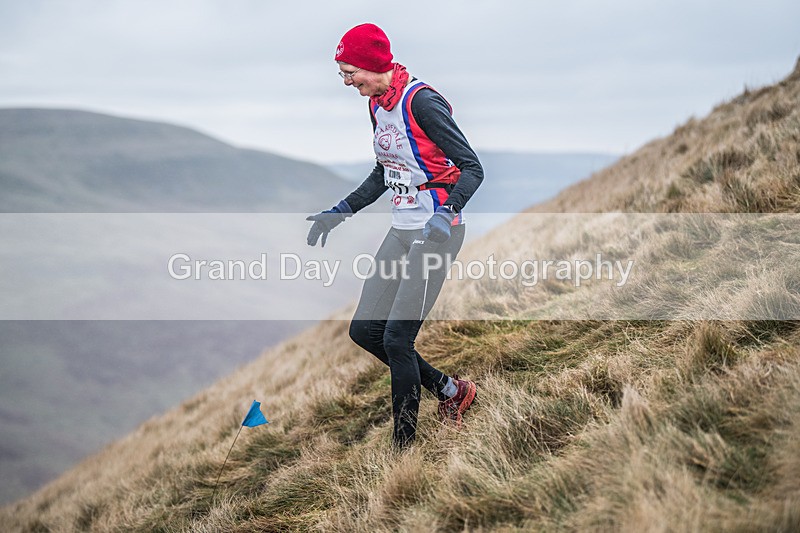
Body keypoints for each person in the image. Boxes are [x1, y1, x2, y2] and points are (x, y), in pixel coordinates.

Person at [306, 23, 484, 449]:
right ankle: (452, 392)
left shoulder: (420, 103)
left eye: (351, 73)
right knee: (364, 331)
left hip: (436, 234)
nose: (348, 82)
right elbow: (386, 171)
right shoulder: (377, 105)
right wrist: (341, 211)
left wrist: (446, 212)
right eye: (343, 74)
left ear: (372, 64)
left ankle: (402, 451)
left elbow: (472, 167)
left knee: (396, 340)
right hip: (402, 230)